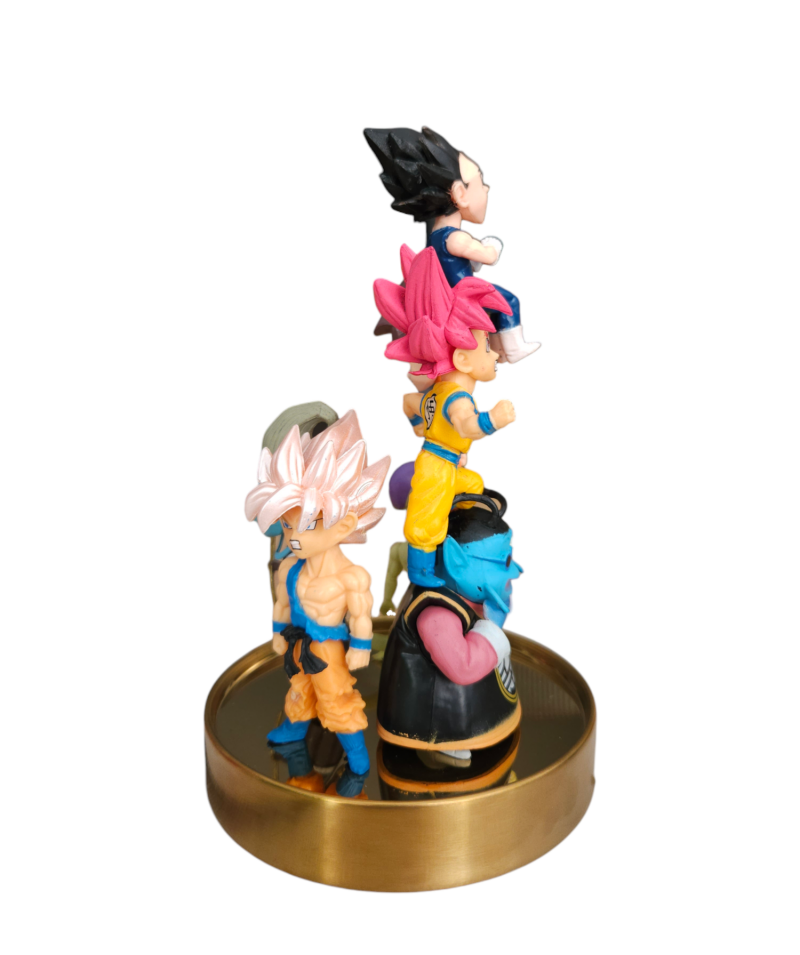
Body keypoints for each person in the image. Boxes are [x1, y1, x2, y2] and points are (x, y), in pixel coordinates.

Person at [244, 411, 390, 797]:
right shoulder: (289, 567)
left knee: (336, 699)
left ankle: (356, 758)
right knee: (298, 689)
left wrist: (360, 648)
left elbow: (361, 616)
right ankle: (292, 731)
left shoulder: (351, 576)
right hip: (298, 642)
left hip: (327, 649)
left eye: (306, 525)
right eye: (288, 524)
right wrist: (278, 634)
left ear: (344, 526)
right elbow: (281, 605)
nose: (293, 536)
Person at [374, 244, 517, 586]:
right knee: (424, 524)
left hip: (448, 462)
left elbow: (409, 402)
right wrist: (494, 420)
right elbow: (467, 425)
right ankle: (422, 571)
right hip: (436, 467)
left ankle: (457, 535)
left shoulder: (436, 391)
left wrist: (419, 425)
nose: (496, 354)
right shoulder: (457, 398)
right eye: (487, 345)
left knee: (474, 486)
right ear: (462, 360)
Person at [365, 125, 540, 363]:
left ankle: (497, 348)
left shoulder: (436, 237)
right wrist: (493, 246)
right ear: (460, 194)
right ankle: (514, 349)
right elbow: (488, 256)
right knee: (508, 302)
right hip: (462, 294)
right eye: (479, 180)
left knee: (496, 309)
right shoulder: (455, 237)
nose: (486, 188)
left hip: (456, 291)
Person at [377, 492, 523, 764]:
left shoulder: (464, 595)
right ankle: (443, 744)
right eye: (504, 561)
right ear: (456, 561)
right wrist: (493, 635)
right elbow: (462, 667)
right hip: (436, 719)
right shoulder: (437, 616)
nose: (516, 570)